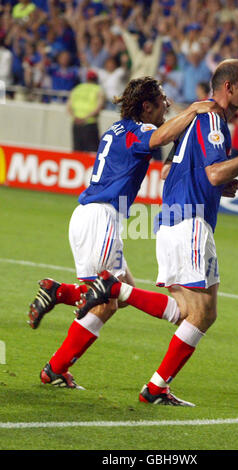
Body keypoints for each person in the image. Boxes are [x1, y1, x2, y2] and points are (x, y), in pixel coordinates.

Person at [76, 59, 238, 406]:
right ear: (228, 87)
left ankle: (157, 387)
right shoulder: (212, 118)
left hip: (179, 218)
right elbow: (212, 174)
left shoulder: (199, 120)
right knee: (191, 312)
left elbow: (171, 168)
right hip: (189, 221)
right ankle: (117, 292)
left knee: (206, 311)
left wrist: (216, 181)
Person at [27, 76, 223, 389]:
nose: (167, 105)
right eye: (161, 101)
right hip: (101, 219)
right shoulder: (141, 129)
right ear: (147, 106)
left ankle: (57, 336)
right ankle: (57, 326)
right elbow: (158, 138)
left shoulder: (115, 130)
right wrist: (196, 110)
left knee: (116, 297)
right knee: (109, 297)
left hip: (87, 217)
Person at [66, 69, 104, 153]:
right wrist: (85, 118)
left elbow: (68, 107)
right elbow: (99, 107)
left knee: (77, 150)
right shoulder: (98, 89)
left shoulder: (77, 88)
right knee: (93, 151)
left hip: (76, 123)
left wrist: (76, 117)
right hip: (90, 123)